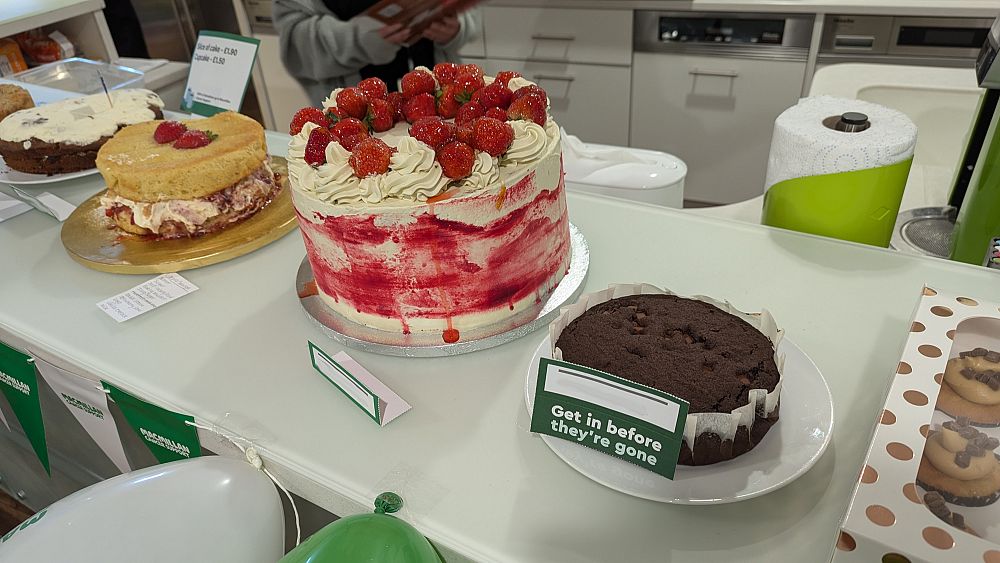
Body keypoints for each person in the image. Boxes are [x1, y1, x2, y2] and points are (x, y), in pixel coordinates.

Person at [273, 0, 483, 103]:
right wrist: (356, 39)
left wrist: (457, 28)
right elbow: (295, 47)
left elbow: (465, 11)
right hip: (356, 116)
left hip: (440, 97)